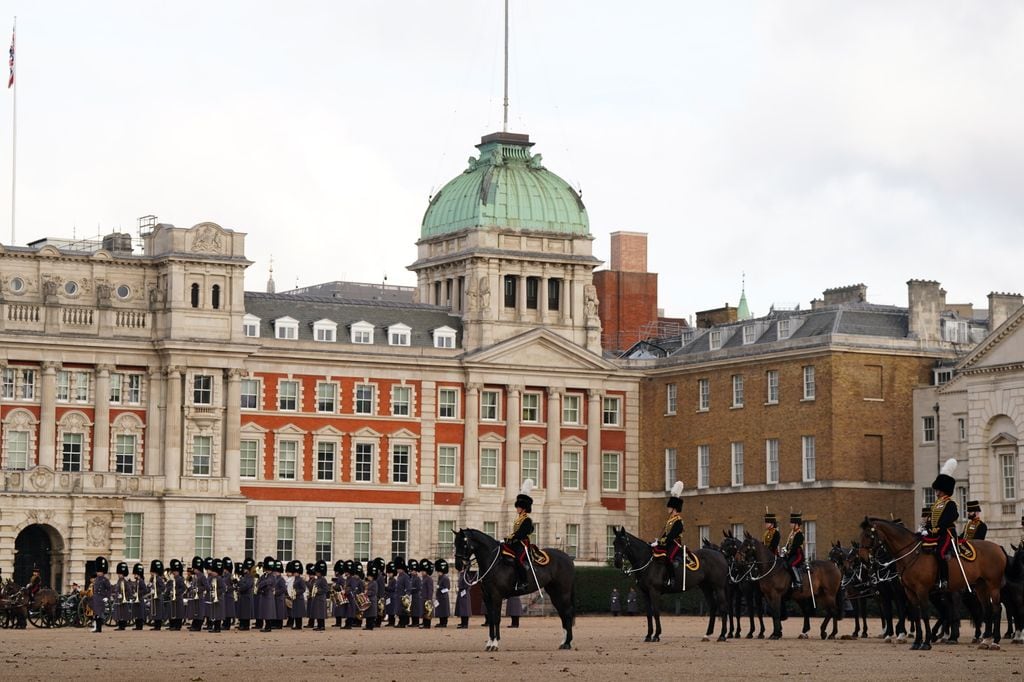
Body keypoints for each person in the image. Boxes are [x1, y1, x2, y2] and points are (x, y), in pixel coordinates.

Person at [924, 458, 959, 590]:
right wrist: (927, 528)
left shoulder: (950, 503)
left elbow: (951, 517)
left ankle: (944, 579)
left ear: (944, 490)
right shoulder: (935, 505)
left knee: (940, 553)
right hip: (935, 534)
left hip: (947, 534)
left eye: (938, 489)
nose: (936, 492)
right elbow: (930, 519)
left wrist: (938, 528)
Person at [505, 479, 536, 591]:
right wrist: (509, 538)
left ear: (523, 507)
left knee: (518, 560)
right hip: (516, 543)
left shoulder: (527, 520)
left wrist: (512, 537)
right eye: (517, 506)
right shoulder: (518, 519)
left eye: (519, 506)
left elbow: (522, 533)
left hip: (523, 544)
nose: (517, 508)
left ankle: (524, 582)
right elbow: (516, 533)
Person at [653, 481, 685, 589]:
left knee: (668, 557)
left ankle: (672, 579)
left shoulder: (678, 521)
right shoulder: (670, 521)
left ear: (674, 508)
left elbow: (672, 535)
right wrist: (658, 541)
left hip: (675, 543)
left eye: (669, 507)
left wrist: (662, 541)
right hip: (668, 542)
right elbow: (666, 534)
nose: (668, 509)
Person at [782, 512, 805, 590]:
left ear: (796, 524)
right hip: (791, 554)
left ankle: (798, 582)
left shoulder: (799, 534)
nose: (790, 524)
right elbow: (789, 544)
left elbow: (795, 547)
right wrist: (785, 549)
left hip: (798, 555)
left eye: (792, 523)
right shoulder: (792, 533)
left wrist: (788, 552)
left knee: (791, 565)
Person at [91, 556, 113, 633]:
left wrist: (107, 597)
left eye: (99, 571)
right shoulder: (96, 579)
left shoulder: (105, 580)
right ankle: (97, 627)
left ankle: (99, 628)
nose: (98, 573)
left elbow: (109, 589)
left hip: (101, 598)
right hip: (96, 598)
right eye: (98, 571)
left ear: (102, 572)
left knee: (99, 614)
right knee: (96, 614)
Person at [434, 558, 451, 628]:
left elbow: (447, 588)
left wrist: (439, 588)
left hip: (444, 597)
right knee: (440, 610)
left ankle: (444, 623)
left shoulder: (445, 578)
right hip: (440, 597)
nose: (438, 573)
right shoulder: (440, 578)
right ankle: (441, 622)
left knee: (444, 610)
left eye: (438, 572)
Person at [418, 559, 434, 629]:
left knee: (428, 612)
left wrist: (429, 599)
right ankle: (424, 624)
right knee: (424, 612)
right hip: (423, 598)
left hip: (427, 598)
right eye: (422, 571)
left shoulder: (429, 579)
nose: (422, 572)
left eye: (423, 571)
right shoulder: (423, 579)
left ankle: (427, 625)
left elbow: (430, 590)